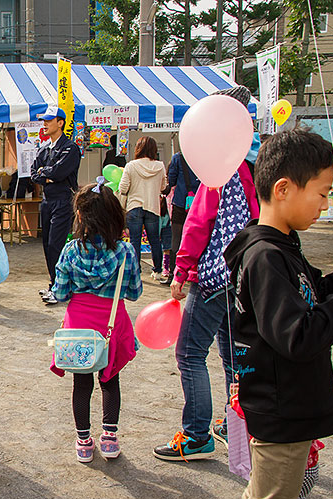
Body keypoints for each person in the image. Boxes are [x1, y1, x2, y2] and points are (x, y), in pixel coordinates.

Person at [224, 129, 333, 499]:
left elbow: (312, 293)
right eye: (324, 193)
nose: (327, 204)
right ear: (284, 188)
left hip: (284, 402)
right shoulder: (266, 256)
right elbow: (300, 334)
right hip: (281, 404)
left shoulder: (282, 246)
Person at [153, 85, 260, 462]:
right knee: (234, 356)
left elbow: (199, 224)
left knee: (190, 353)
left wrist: (181, 270)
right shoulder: (250, 166)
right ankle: (241, 426)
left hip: (215, 275)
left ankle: (197, 435)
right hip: (245, 276)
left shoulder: (219, 169)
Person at [50, 181, 142, 462]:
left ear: (80, 216)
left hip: (79, 325)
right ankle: (110, 440)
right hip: (111, 324)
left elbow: (60, 293)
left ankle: (83, 442)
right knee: (111, 380)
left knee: (82, 384)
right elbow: (134, 292)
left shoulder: (70, 251)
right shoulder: (126, 252)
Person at [31, 106, 81, 305]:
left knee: (56, 245)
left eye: (49, 120)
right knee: (46, 245)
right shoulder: (45, 148)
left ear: (60, 122)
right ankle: (54, 284)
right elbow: (34, 173)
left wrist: (47, 174)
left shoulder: (70, 147)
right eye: (44, 120)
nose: (45, 124)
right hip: (47, 200)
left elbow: (59, 172)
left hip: (63, 200)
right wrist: (46, 176)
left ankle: (62, 287)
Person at [118, 135, 168, 280]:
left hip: (134, 206)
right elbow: (163, 187)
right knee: (155, 240)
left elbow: (123, 188)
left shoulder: (131, 165)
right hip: (153, 206)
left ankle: (136, 271)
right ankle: (158, 271)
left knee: (135, 240)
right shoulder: (160, 166)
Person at [165, 150, 201, 283]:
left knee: (176, 238)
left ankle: (173, 274)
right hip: (200, 203)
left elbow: (172, 179)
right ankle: (195, 273)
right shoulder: (204, 156)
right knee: (198, 237)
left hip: (181, 202)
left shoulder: (178, 157)